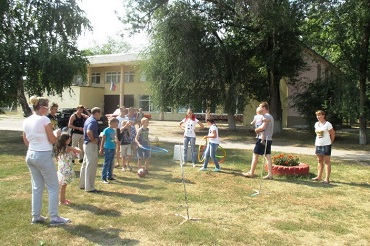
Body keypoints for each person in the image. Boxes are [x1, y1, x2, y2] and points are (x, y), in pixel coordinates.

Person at [23, 96, 70, 226]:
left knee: (37, 186)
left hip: (31, 154)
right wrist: (57, 133)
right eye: (47, 107)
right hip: (43, 155)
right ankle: (54, 217)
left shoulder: (27, 120)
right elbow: (53, 140)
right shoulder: (44, 119)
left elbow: (26, 141)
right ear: (42, 108)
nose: (48, 110)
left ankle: (36, 216)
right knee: (53, 186)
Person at [242, 101, 274, 180]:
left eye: (260, 107)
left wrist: (256, 130)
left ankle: (251, 173)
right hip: (269, 139)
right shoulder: (270, 116)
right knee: (268, 157)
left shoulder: (266, 116)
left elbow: (263, 127)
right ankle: (270, 174)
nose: (259, 109)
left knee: (255, 155)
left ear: (264, 108)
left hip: (262, 139)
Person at [79, 107, 102, 193]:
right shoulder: (93, 121)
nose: (100, 115)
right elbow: (89, 131)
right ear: (97, 113)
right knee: (91, 165)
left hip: (86, 144)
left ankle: (83, 184)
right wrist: (93, 140)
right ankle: (89, 187)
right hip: (90, 144)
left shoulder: (88, 119)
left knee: (85, 164)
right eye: (100, 113)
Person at [55, 133, 81, 205]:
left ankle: (63, 199)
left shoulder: (59, 147)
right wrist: (75, 148)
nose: (70, 140)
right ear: (66, 140)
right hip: (66, 169)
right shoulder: (68, 148)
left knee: (63, 185)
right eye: (69, 139)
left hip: (61, 168)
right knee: (63, 185)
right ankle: (62, 201)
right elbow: (79, 151)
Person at [312, 110, 335, 184]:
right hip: (318, 144)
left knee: (327, 161)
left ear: (323, 115)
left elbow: (332, 134)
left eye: (319, 115)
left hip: (326, 144)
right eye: (317, 115)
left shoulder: (328, 124)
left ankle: (327, 179)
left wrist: (330, 142)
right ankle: (319, 176)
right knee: (319, 160)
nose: (318, 117)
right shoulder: (316, 124)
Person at [99, 118, 119, 183]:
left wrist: (116, 143)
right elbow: (103, 139)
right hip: (108, 148)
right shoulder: (106, 130)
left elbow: (113, 139)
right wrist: (101, 148)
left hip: (113, 148)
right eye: (116, 123)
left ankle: (109, 176)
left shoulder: (113, 130)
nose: (117, 125)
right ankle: (103, 178)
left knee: (111, 163)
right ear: (112, 123)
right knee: (107, 163)